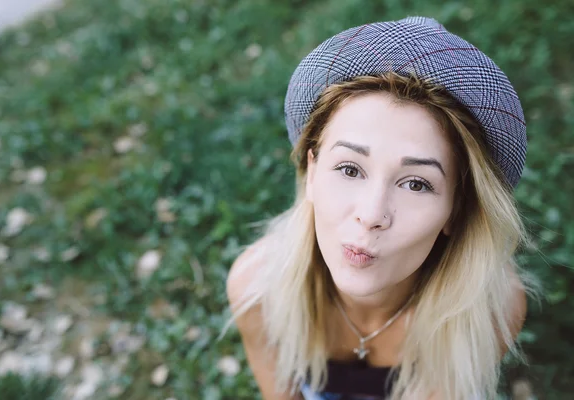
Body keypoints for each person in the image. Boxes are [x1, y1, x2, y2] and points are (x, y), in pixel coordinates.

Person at [222, 16, 536, 400]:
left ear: (455, 211)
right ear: (312, 175)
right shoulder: (257, 288)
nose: (371, 215)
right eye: (350, 169)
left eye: (416, 183)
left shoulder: (490, 309)